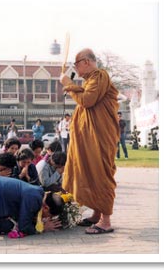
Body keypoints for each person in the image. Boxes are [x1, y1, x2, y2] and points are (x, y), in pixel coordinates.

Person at [59, 48, 119, 234]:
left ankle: (106, 221)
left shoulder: (99, 75)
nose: (75, 69)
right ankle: (96, 214)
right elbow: (85, 97)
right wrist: (73, 87)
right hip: (91, 138)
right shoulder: (91, 81)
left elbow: (87, 100)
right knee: (90, 172)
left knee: (100, 173)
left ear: (86, 61)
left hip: (100, 137)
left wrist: (69, 84)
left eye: (76, 64)